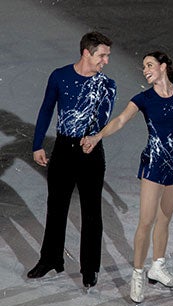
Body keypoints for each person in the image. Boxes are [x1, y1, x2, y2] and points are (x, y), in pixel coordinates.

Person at [81, 51, 173, 303]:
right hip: (154, 165)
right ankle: (137, 274)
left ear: (163, 66)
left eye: (149, 65)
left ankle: (158, 266)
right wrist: (96, 136)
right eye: (143, 67)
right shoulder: (144, 99)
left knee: (164, 219)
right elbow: (121, 120)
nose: (145, 70)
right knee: (145, 222)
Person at [28, 31, 116, 288]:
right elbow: (46, 109)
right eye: (102, 55)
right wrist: (37, 145)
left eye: (107, 56)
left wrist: (94, 138)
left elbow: (103, 120)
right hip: (63, 150)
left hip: (91, 152)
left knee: (91, 213)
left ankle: (90, 269)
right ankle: (50, 259)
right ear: (86, 53)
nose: (106, 61)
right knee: (56, 207)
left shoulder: (107, 85)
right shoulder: (59, 76)